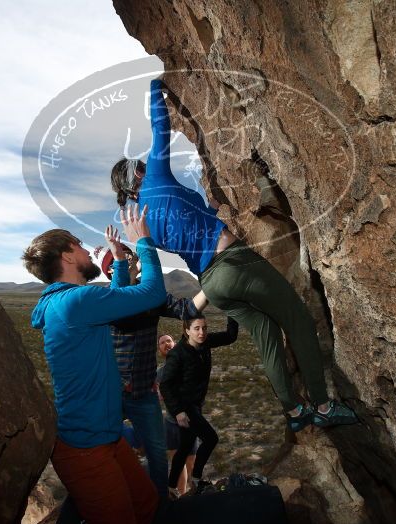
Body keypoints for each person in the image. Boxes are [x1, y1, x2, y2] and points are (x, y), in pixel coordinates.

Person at [110, 78, 357, 433]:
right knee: (298, 319)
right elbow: (159, 126)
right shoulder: (156, 179)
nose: (146, 167)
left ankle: (293, 411)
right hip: (233, 262)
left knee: (265, 333)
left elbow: (183, 233)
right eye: (141, 166)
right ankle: (321, 405)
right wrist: (154, 88)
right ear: (137, 174)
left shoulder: (144, 220)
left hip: (213, 285)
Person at [21, 206, 163, 524]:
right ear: (67, 256)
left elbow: (116, 299)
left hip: (106, 437)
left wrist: (121, 262)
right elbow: (152, 293)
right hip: (85, 449)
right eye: (80, 245)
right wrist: (143, 242)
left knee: (146, 504)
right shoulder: (75, 302)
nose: (88, 251)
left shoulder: (69, 302)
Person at [93, 241, 208, 498]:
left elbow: (186, 309)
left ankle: (162, 503)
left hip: (144, 393)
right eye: (123, 257)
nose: (132, 258)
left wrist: (213, 285)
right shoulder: (104, 299)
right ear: (112, 270)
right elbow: (119, 307)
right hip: (114, 392)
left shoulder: (151, 297)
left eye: (131, 254)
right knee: (104, 447)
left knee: (157, 452)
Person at [159, 314, 238, 498]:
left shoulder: (206, 342)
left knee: (185, 447)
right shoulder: (177, 353)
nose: (201, 332)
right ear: (187, 331)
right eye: (196, 328)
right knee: (211, 439)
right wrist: (178, 411)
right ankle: (196, 479)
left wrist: (232, 312)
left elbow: (230, 336)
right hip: (185, 406)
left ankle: (171, 487)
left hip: (196, 404)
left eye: (204, 328)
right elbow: (165, 384)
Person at [155, 334, 198, 497]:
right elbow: (158, 396)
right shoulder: (159, 373)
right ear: (160, 350)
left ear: (174, 344)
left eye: (169, 341)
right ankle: (181, 494)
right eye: (162, 343)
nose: (166, 343)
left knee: (191, 463)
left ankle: (196, 494)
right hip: (171, 424)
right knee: (177, 464)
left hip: (189, 422)